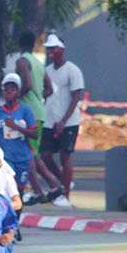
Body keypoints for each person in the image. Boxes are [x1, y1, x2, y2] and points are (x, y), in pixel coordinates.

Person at [37, 33, 85, 206]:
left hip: (68, 121)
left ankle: (65, 194)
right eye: (49, 49)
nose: (51, 52)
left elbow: (75, 97)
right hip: (50, 120)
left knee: (65, 156)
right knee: (46, 155)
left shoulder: (72, 70)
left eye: (54, 49)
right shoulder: (47, 71)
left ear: (61, 50)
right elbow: (47, 92)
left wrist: (63, 121)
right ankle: (63, 181)